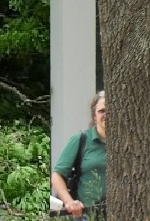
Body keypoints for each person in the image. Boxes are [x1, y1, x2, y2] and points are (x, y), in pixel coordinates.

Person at [52, 91, 107, 219]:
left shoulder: (127, 143)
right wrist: (69, 202)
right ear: (94, 116)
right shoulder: (81, 139)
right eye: (102, 111)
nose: (107, 114)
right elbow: (57, 175)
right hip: (88, 216)